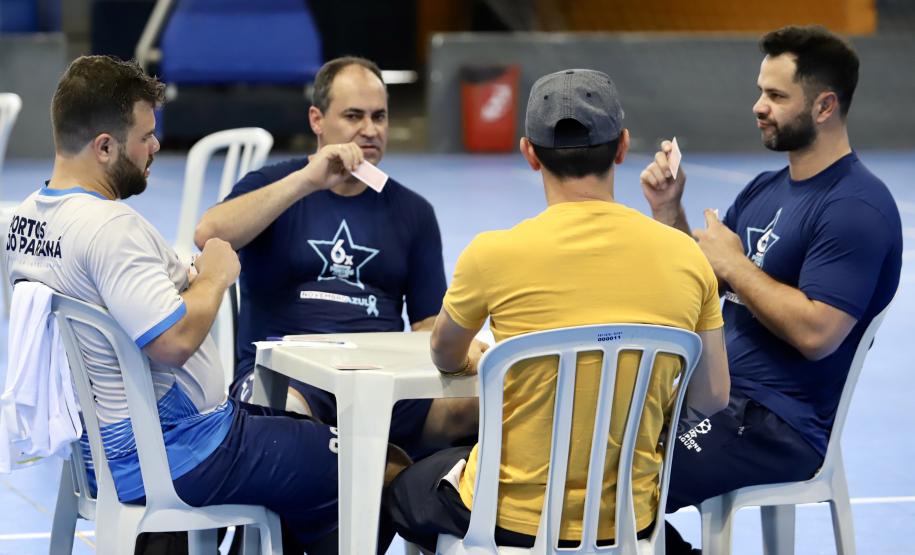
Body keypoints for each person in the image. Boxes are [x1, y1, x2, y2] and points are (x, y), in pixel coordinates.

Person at [4, 55, 408, 554]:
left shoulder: (26, 220)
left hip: (105, 452)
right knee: (376, 469)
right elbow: (173, 341)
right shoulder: (110, 229)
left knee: (302, 443)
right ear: (104, 147)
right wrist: (215, 276)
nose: (155, 147)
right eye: (145, 137)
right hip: (181, 452)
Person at [384, 68, 731, 552]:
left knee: (402, 487)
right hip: (629, 519)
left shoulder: (493, 255)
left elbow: (443, 354)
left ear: (529, 152)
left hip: (509, 520)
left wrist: (483, 362)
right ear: (623, 146)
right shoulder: (687, 257)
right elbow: (713, 396)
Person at [639, 25, 902, 553]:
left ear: (825, 106)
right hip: (716, 401)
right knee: (577, 465)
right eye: (761, 91)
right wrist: (670, 213)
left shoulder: (856, 208)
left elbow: (817, 333)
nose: (759, 106)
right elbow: (699, 288)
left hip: (777, 423)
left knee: (611, 485)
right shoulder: (765, 189)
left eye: (777, 96)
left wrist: (735, 265)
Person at [194, 56, 476, 456]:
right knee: (287, 419)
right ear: (317, 120)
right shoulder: (274, 186)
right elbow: (207, 234)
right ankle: (357, 480)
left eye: (379, 117)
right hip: (288, 382)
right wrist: (306, 182)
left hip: (380, 387)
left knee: (487, 406)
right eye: (353, 116)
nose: (370, 130)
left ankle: (422, 499)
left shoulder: (413, 212)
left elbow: (428, 324)